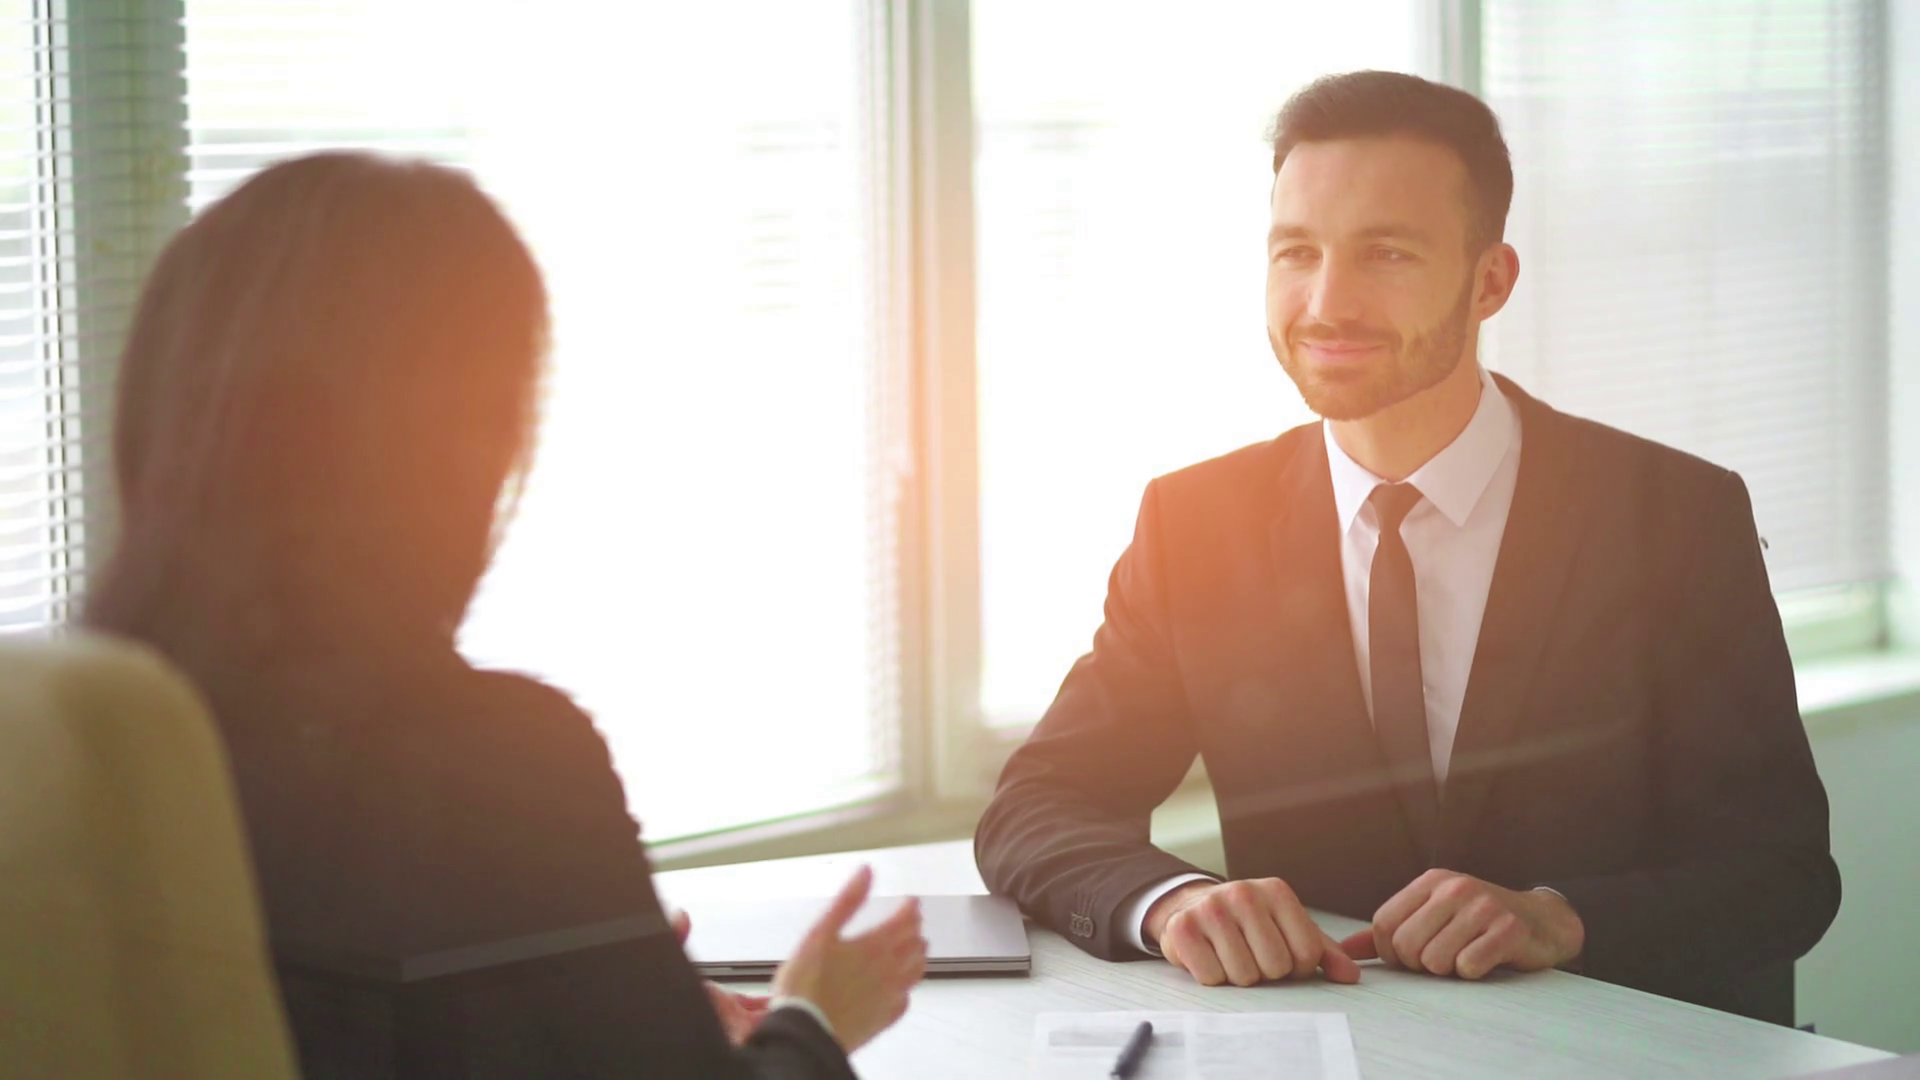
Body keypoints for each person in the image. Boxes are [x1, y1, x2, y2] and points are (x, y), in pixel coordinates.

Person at [973, 70, 1839, 1025]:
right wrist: (1172, 900)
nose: (1325, 302)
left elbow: (1782, 871)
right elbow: (1038, 806)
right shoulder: (1197, 524)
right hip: (1337, 1050)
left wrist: (1563, 919)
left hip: (1614, 1049)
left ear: (1491, 281)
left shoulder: (1675, 516)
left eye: (1385, 253)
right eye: (1296, 252)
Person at [84, 151, 925, 1078]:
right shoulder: (491, 769)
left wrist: (601, 990)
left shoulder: (64, 748)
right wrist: (810, 1018)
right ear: (449, 453)